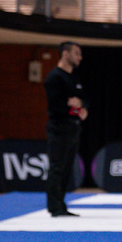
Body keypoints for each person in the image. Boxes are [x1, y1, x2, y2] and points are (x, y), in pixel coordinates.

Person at [44, 42, 86, 217]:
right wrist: (77, 109)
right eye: (76, 53)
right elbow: (56, 106)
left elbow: (83, 99)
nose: (80, 57)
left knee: (67, 168)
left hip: (73, 130)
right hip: (58, 129)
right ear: (65, 54)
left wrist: (81, 106)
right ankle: (54, 206)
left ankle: (61, 203)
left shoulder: (75, 79)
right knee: (57, 167)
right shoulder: (54, 78)